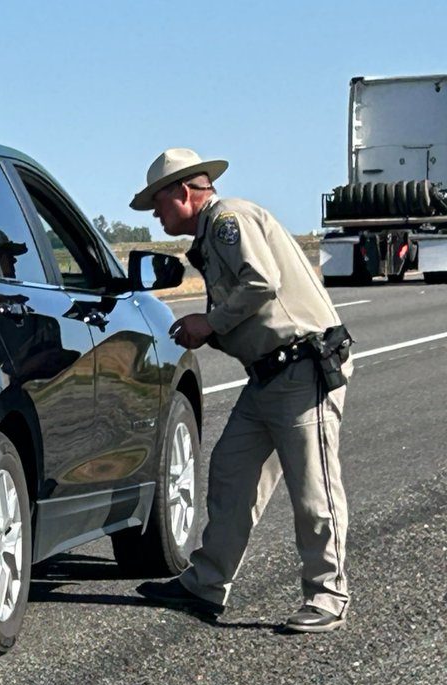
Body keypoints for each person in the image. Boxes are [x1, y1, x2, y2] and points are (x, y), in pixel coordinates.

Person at [129, 148, 352, 633]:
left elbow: (261, 283)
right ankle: (206, 584)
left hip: (299, 369)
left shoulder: (227, 220)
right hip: (270, 375)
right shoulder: (213, 233)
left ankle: (328, 595)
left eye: (157, 204)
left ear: (183, 193)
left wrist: (209, 323)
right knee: (231, 473)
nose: (156, 215)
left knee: (313, 489)